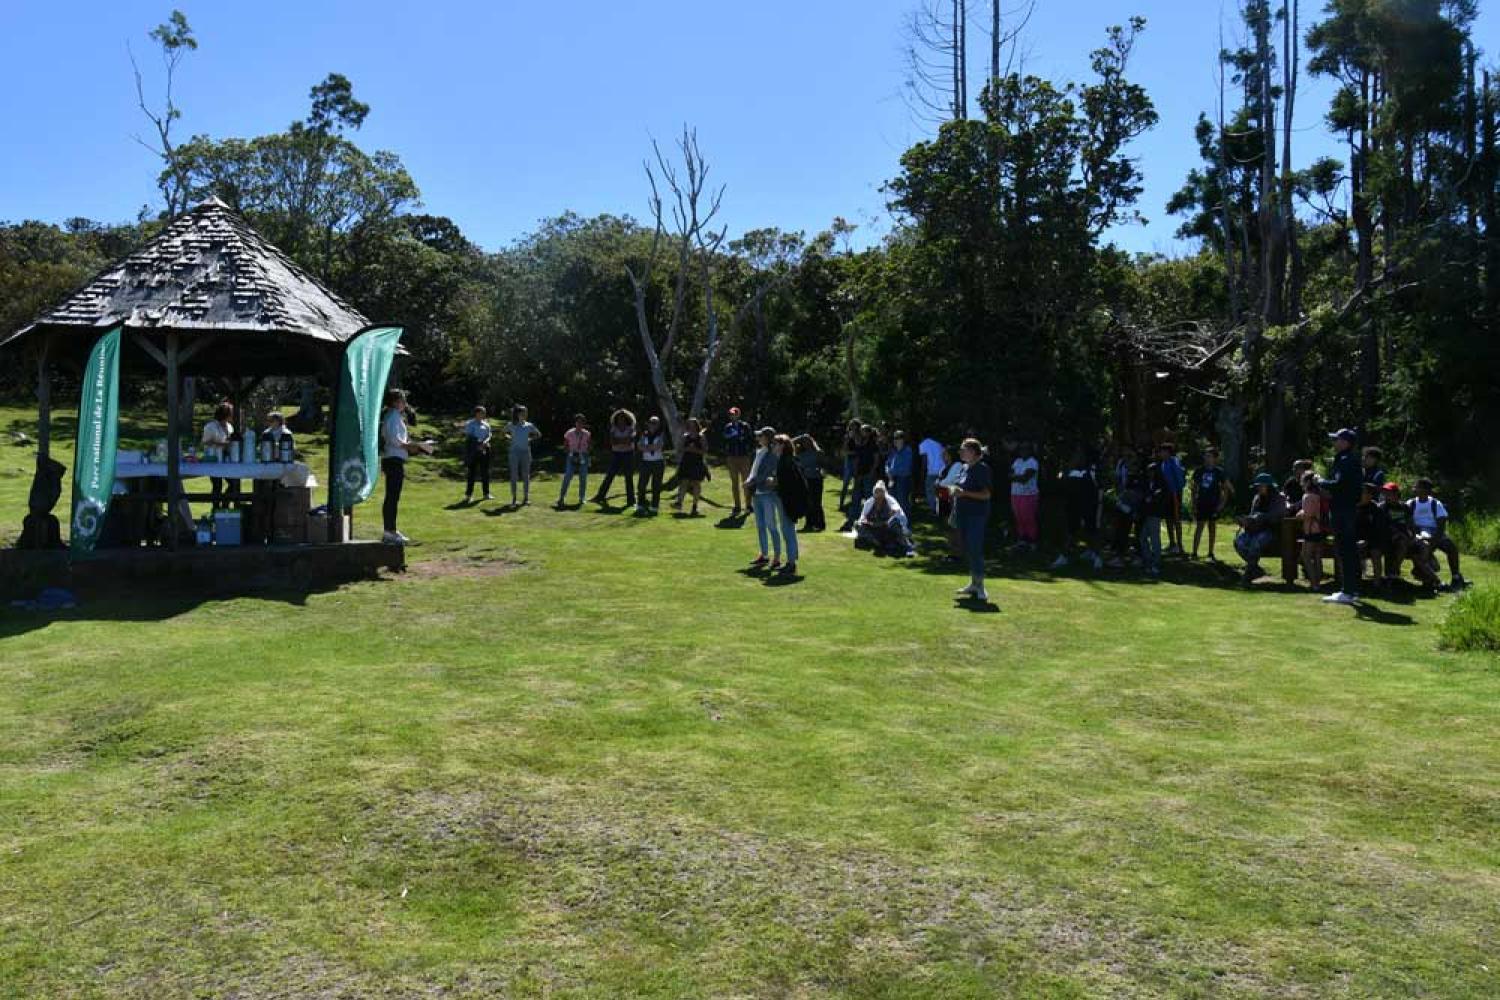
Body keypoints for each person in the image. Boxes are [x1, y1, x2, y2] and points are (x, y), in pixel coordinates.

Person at [380, 388, 432, 545]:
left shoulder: (393, 416)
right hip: (393, 459)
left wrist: (416, 447)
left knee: (393, 497)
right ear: (396, 402)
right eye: (403, 400)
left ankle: (391, 530)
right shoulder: (393, 416)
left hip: (395, 458)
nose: (405, 404)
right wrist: (416, 446)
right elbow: (397, 442)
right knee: (392, 497)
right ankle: (389, 531)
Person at [1318, 428, 1364, 605]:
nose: (1334, 443)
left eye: (1337, 440)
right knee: (1349, 550)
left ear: (1345, 443)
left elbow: (1338, 484)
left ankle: (1348, 591)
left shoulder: (1345, 460)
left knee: (1345, 550)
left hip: (1342, 510)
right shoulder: (1350, 460)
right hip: (1348, 509)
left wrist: (1320, 481)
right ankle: (1352, 589)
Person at [951, 438, 993, 603]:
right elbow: (960, 487)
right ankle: (974, 583)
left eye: (964, 449)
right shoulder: (964, 468)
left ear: (974, 452)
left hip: (976, 515)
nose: (961, 452)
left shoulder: (981, 469)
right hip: (963, 514)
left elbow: (986, 494)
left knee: (975, 548)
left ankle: (980, 586)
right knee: (969, 549)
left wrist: (964, 494)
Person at [1408, 478, 1468, 590]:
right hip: (1417, 532)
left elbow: (1441, 526)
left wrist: (1433, 544)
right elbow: (1407, 522)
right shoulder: (1411, 503)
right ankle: (1427, 578)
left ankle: (1456, 577)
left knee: (1452, 548)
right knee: (1422, 551)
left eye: (1417, 487)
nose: (1414, 489)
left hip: (1435, 532)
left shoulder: (1435, 504)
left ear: (1425, 490)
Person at [1234, 473, 1289, 583]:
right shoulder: (1257, 498)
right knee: (1239, 542)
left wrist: (1260, 517)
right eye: (1257, 486)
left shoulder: (1279, 499)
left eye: (1260, 486)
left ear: (1268, 486)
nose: (1258, 488)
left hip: (1272, 531)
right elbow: (1252, 515)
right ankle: (1255, 569)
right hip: (1255, 530)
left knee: (1255, 543)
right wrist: (1245, 520)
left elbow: (1276, 516)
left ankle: (1248, 574)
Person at [745, 427, 787, 570]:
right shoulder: (760, 451)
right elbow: (754, 471)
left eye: (761, 436)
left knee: (771, 525)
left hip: (768, 493)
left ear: (767, 438)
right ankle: (763, 555)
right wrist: (750, 480)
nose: (758, 438)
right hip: (757, 493)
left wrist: (752, 481)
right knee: (760, 526)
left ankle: (776, 557)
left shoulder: (771, 454)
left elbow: (766, 473)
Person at [1053, 448, 1102, 570]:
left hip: (1089, 506)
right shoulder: (1070, 471)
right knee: (1071, 531)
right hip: (1073, 506)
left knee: (1091, 531)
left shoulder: (1091, 471)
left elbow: (1098, 486)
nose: (1076, 458)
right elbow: (1063, 483)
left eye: (1078, 456)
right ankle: (1064, 557)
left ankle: (1097, 557)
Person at [772, 433, 807, 575]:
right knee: (788, 531)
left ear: (782, 446)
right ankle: (791, 561)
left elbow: (789, 483)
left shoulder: (786, 461)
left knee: (788, 531)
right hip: (786, 500)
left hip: (787, 501)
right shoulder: (785, 460)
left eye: (775, 444)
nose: (773, 446)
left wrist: (774, 482)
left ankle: (791, 563)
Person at [1190, 447, 1233, 561]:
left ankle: (1210, 553)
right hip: (1201, 502)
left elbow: (1226, 489)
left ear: (1215, 458)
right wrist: (1193, 504)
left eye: (1209, 456)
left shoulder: (1219, 472)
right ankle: (1194, 552)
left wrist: (1222, 504)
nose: (1207, 458)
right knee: (1199, 527)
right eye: (1205, 455)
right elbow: (1194, 489)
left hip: (1213, 503)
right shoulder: (1199, 471)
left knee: (1212, 527)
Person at [855, 480, 915, 557]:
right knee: (858, 525)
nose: (878, 499)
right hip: (875, 527)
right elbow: (862, 517)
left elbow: (896, 510)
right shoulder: (869, 502)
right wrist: (869, 523)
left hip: (889, 526)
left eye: (880, 496)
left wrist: (885, 521)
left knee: (894, 523)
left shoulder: (890, 500)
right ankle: (879, 542)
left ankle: (907, 546)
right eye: (877, 496)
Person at [1139, 445, 1172, 578]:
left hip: (1155, 514)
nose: (1150, 474)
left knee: (1154, 539)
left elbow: (1159, 499)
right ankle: (1148, 560)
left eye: (1152, 471)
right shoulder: (1148, 484)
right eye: (1149, 472)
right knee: (1142, 538)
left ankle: (1156, 563)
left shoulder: (1161, 485)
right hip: (1147, 514)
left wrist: (1151, 499)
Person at [593, 409, 637, 507]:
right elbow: (613, 442)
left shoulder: (631, 428)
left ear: (627, 419)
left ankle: (631, 500)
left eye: (623, 418)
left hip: (628, 454)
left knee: (628, 477)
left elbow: (630, 441)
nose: (621, 420)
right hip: (616, 454)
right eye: (619, 418)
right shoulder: (613, 428)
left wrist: (619, 440)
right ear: (616, 419)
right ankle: (600, 496)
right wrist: (623, 440)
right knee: (610, 475)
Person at [202, 401, 236, 510]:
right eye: (230, 413)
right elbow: (206, 442)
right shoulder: (210, 426)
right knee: (217, 485)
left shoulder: (230, 427)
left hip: (226, 459)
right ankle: (216, 509)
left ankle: (225, 503)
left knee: (233, 483)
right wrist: (222, 444)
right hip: (214, 458)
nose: (232, 415)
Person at [721, 406, 756, 514]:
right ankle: (737, 506)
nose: (733, 416)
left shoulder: (744, 426)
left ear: (738, 415)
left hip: (744, 456)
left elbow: (750, 439)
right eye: (731, 414)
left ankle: (749, 505)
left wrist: (747, 447)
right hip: (732, 457)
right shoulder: (728, 427)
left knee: (746, 481)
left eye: (734, 414)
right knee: (734, 483)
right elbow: (724, 439)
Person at [672, 418, 709, 516]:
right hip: (686, 462)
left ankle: (694, 506)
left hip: (697, 462)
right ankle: (679, 502)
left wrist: (695, 450)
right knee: (684, 482)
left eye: (693, 425)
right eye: (690, 425)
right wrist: (687, 448)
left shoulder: (701, 437)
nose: (692, 427)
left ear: (697, 426)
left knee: (696, 483)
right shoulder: (685, 436)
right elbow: (680, 448)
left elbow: (705, 450)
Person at [844, 425, 879, 526]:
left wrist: (872, 471)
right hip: (859, 474)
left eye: (864, 431)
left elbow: (876, 459)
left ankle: (870, 519)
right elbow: (855, 458)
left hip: (868, 474)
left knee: (869, 497)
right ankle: (852, 519)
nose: (861, 433)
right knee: (855, 497)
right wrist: (855, 472)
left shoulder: (873, 445)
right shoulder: (859, 444)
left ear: (868, 433)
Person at [1009, 441, 1041, 551]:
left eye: (1025, 449)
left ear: (1030, 450)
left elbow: (1024, 479)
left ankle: (1032, 541)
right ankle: (1022, 540)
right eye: (1021, 449)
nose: (1023, 451)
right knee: (1019, 518)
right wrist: (1017, 476)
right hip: (1015, 493)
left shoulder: (1033, 462)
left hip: (1029, 494)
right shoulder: (1017, 461)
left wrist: (1015, 477)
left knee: (1029, 518)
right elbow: (1010, 475)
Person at [556, 414, 592, 508]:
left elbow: (589, 446)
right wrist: (571, 454)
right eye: (578, 422)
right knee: (567, 476)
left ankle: (582, 498)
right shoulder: (569, 433)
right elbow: (565, 446)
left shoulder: (587, 434)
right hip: (572, 455)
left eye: (582, 422)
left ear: (584, 423)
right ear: (575, 422)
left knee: (583, 478)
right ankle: (561, 497)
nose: (580, 424)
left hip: (583, 456)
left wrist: (586, 457)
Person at [1300, 471, 1328, 590]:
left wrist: (1299, 514)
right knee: (1317, 556)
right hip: (1321, 529)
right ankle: (1318, 582)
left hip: (1311, 529)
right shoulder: (1320, 495)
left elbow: (1307, 515)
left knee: (1305, 556)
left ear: (1307, 482)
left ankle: (1314, 583)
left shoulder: (1308, 496)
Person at [793, 434, 826, 531]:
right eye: (804, 442)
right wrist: (800, 437)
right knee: (808, 502)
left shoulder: (818, 452)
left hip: (816, 479)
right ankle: (809, 524)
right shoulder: (799, 453)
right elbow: (790, 442)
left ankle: (820, 524)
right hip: (805, 479)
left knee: (816, 502)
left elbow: (823, 465)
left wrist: (819, 469)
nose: (806, 443)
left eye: (808, 441)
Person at [635, 415, 668, 514]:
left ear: (658, 425)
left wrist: (646, 447)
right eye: (651, 422)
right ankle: (640, 504)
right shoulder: (644, 434)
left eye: (655, 423)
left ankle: (654, 506)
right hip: (646, 462)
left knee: (656, 485)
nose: (652, 425)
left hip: (658, 462)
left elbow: (659, 446)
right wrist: (650, 447)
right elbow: (639, 446)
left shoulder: (661, 434)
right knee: (641, 485)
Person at [461, 405, 493, 502]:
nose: (484, 414)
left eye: (484, 412)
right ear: (476, 413)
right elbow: (468, 436)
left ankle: (486, 494)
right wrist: (478, 443)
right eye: (482, 412)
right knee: (472, 473)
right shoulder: (470, 424)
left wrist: (485, 442)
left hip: (485, 449)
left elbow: (489, 435)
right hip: (474, 450)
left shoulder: (486, 424)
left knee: (485, 472)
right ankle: (468, 495)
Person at [1163, 443, 1187, 555]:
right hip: (1166, 494)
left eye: (1163, 451)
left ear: (1168, 452)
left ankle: (1179, 545)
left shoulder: (1174, 462)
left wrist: (1177, 492)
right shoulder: (1164, 463)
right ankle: (1172, 543)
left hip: (1175, 493)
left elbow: (1180, 478)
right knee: (1168, 519)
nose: (1161, 453)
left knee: (1176, 519)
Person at [885, 431, 915, 510]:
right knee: (892, 501)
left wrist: (891, 473)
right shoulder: (893, 451)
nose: (895, 440)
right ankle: (895, 520)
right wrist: (887, 471)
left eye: (897, 438)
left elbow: (906, 467)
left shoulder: (907, 451)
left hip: (902, 479)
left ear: (903, 440)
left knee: (902, 502)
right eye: (894, 438)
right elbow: (887, 463)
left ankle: (904, 521)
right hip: (892, 479)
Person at [838, 419, 863, 510]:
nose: (852, 427)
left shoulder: (860, 436)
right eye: (851, 425)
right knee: (845, 483)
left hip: (856, 461)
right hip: (848, 461)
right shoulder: (847, 436)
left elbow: (859, 447)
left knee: (856, 484)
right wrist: (848, 439)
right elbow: (845, 450)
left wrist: (854, 438)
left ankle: (854, 503)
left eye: (854, 425)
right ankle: (841, 504)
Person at [918, 433, 945, 514]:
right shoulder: (938, 443)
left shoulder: (923, 444)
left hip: (931, 471)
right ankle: (942, 509)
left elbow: (924, 459)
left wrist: (922, 472)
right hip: (941, 469)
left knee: (930, 491)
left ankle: (934, 510)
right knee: (939, 491)